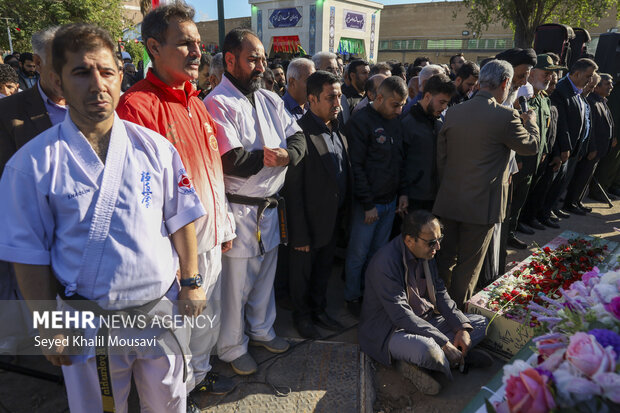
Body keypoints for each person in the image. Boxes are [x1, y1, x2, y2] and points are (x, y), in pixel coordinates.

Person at [0, 22, 206, 413]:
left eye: (107, 71)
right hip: (85, 320)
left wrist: (193, 282)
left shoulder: (154, 148)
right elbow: (26, 253)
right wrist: (47, 326)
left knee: (169, 404)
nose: (98, 84)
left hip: (157, 309)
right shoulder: (32, 164)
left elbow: (182, 216)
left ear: (121, 76)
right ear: (58, 80)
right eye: (81, 72)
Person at [116, 3, 237, 406]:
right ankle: (174, 397)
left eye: (199, 44)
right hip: (176, 256)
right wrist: (183, 270)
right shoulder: (136, 107)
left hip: (211, 242)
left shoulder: (196, 102)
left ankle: (196, 381)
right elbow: (142, 196)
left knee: (203, 328)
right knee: (174, 342)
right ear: (153, 46)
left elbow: (212, 175)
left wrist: (224, 229)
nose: (197, 52)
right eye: (185, 43)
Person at [204, 28, 305, 376]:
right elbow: (230, 158)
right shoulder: (217, 102)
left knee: (265, 275)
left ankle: (262, 329)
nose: (261, 65)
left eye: (262, 58)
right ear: (230, 60)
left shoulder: (270, 98)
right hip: (240, 206)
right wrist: (270, 157)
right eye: (253, 59)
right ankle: (232, 346)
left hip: (270, 205)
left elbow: (298, 136)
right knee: (235, 284)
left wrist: (288, 156)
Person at [433, 59, 539, 308]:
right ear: (505, 83)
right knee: (468, 266)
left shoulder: (455, 111)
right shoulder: (505, 116)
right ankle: (456, 315)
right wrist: (531, 121)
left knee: (444, 259)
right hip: (482, 207)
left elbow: (442, 157)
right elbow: (531, 146)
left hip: (449, 199)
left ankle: (436, 304)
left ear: (480, 83)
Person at [359, 210, 491, 395]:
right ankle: (449, 358)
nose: (437, 246)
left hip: (424, 321)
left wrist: (461, 327)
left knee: (480, 324)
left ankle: (441, 361)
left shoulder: (426, 255)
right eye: (431, 242)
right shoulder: (385, 263)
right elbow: (401, 316)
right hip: (391, 330)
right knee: (429, 350)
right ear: (409, 240)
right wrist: (444, 342)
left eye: (439, 239)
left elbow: (440, 293)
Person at [283, 70, 351, 338]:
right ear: (312, 99)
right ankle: (303, 317)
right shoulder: (300, 134)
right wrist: (298, 233)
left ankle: (319, 310)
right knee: (302, 276)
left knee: (323, 271)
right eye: (331, 97)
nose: (338, 102)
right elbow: (293, 190)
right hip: (306, 226)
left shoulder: (337, 128)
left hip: (332, 221)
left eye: (339, 95)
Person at [344, 76, 409, 316]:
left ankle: (370, 293)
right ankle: (352, 296)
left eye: (403, 104)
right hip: (367, 206)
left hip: (390, 202)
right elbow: (356, 167)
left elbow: (399, 161)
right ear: (378, 97)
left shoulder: (396, 121)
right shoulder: (360, 122)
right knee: (358, 255)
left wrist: (402, 193)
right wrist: (368, 203)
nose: (400, 110)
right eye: (395, 104)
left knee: (378, 255)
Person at [508, 54, 566, 245]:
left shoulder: (544, 99)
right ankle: (505, 234)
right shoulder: (522, 98)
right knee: (509, 200)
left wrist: (546, 151)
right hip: (519, 159)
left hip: (536, 159)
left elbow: (547, 130)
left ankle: (511, 230)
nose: (549, 77)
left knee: (520, 199)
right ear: (531, 74)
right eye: (546, 73)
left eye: (551, 74)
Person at [0, 26, 67, 175]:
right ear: (37, 63)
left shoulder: (93, 105)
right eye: (59, 65)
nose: (67, 73)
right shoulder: (7, 111)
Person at [542, 58, 598, 221]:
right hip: (560, 149)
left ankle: (551, 209)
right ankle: (542, 214)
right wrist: (564, 148)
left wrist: (578, 147)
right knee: (548, 185)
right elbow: (562, 123)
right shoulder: (562, 90)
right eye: (588, 76)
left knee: (559, 184)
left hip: (572, 149)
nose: (589, 81)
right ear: (577, 73)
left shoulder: (577, 92)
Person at [402, 74, 455, 211]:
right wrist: (403, 193)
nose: (444, 107)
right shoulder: (408, 123)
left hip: (435, 195)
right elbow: (399, 162)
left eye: (447, 103)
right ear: (427, 96)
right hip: (414, 197)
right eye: (442, 102)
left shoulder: (439, 122)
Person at [565, 73, 614, 209]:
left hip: (599, 150)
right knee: (580, 177)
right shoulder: (591, 101)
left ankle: (577, 201)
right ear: (597, 87)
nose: (611, 86)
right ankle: (571, 203)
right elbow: (589, 127)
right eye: (607, 84)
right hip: (592, 150)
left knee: (586, 177)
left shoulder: (601, 101)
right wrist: (592, 147)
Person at [341, 59, 370, 123]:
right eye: (364, 73)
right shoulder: (345, 98)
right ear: (352, 75)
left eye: (369, 73)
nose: (368, 77)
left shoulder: (371, 94)